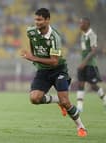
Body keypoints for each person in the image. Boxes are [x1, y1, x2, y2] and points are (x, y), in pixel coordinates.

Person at [20, 8, 87, 137]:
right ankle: (57, 101)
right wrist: (33, 56)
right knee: (34, 98)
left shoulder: (55, 38)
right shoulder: (31, 31)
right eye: (35, 19)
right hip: (43, 71)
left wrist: (33, 58)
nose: (37, 22)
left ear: (47, 20)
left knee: (66, 102)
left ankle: (81, 126)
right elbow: (33, 44)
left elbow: (55, 61)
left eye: (40, 20)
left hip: (58, 70)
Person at [76, 17, 106, 112]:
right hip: (83, 63)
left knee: (93, 85)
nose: (80, 25)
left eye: (82, 23)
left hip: (90, 64)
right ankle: (79, 107)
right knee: (80, 84)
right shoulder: (82, 35)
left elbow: (94, 51)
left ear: (87, 24)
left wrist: (84, 62)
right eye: (80, 23)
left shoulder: (92, 35)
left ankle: (105, 100)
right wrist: (82, 62)